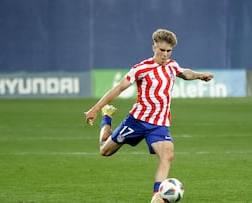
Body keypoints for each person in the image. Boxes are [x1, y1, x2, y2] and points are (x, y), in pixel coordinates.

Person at [84, 28, 214, 203]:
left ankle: (157, 196)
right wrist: (96, 109)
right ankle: (107, 117)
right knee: (104, 151)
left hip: (159, 124)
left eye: (169, 51)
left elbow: (185, 73)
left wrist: (199, 76)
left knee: (167, 155)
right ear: (154, 48)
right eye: (162, 50)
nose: (165, 55)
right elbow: (119, 88)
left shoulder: (172, 66)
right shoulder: (141, 69)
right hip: (136, 121)